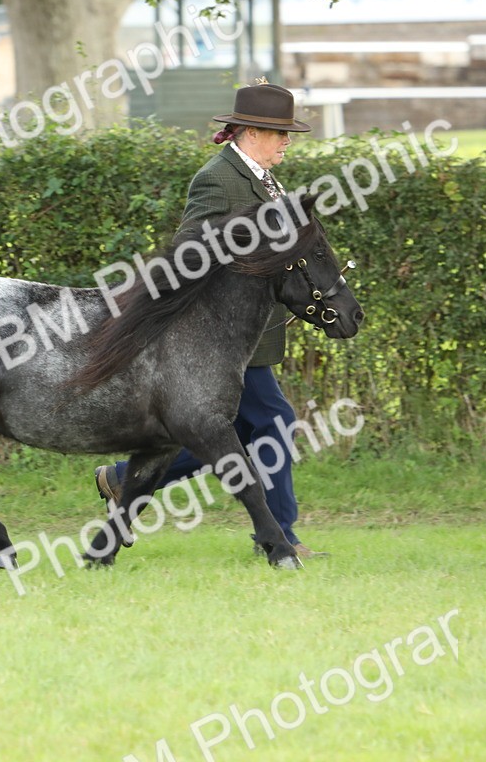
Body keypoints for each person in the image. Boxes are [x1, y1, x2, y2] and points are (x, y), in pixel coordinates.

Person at [93, 81, 329, 559]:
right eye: (279, 132)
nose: (287, 141)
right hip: (218, 338)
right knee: (277, 422)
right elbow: (188, 253)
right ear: (249, 131)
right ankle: (282, 536)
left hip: (251, 336)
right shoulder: (217, 179)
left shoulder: (264, 178)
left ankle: (121, 480)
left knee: (236, 434)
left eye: (288, 133)